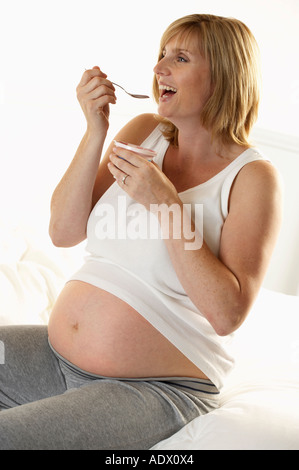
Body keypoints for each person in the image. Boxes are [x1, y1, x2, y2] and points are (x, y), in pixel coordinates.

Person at [0, 14, 282, 450]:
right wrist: (96, 129)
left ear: (224, 76)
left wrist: (166, 203)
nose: (159, 68)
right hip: (56, 359)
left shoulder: (252, 177)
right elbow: (62, 231)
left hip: (156, 388)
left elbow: (227, 314)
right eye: (161, 55)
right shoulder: (142, 133)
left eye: (180, 58)